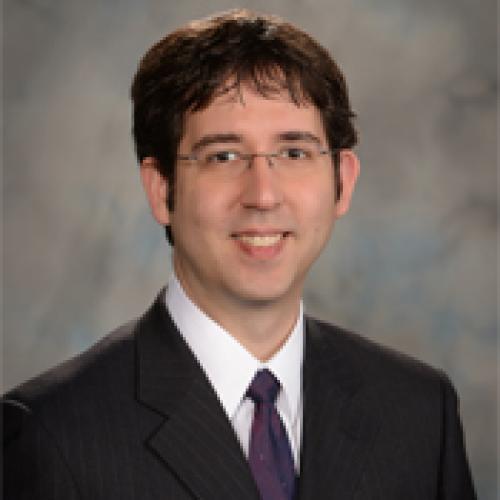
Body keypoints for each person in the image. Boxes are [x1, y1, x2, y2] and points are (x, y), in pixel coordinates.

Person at [3, 9, 476, 500]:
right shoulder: (51, 434)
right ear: (161, 188)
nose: (263, 195)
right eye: (223, 156)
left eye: (294, 153)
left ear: (343, 181)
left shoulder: (420, 412)